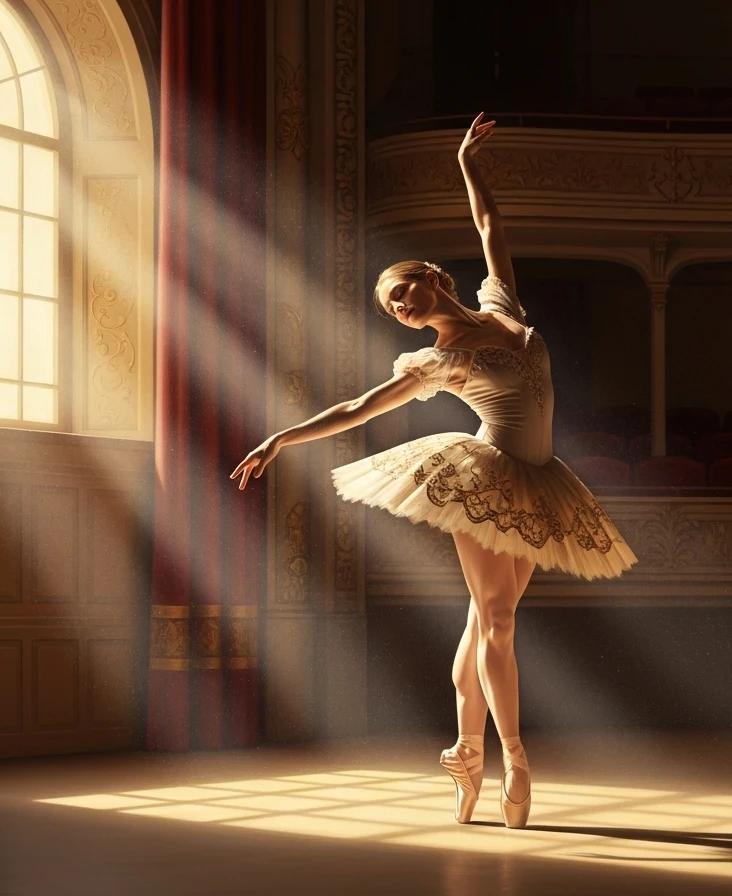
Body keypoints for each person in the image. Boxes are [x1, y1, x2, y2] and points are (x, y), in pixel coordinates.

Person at [231, 112, 638, 829]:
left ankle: (465, 753)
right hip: (483, 478)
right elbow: (358, 407)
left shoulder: (501, 308)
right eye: (391, 308)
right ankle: (516, 760)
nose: (400, 307)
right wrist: (283, 438)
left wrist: (465, 161)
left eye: (402, 291)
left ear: (429, 277)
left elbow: (492, 227)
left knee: (482, 626)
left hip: (539, 480)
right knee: (500, 618)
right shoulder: (434, 359)